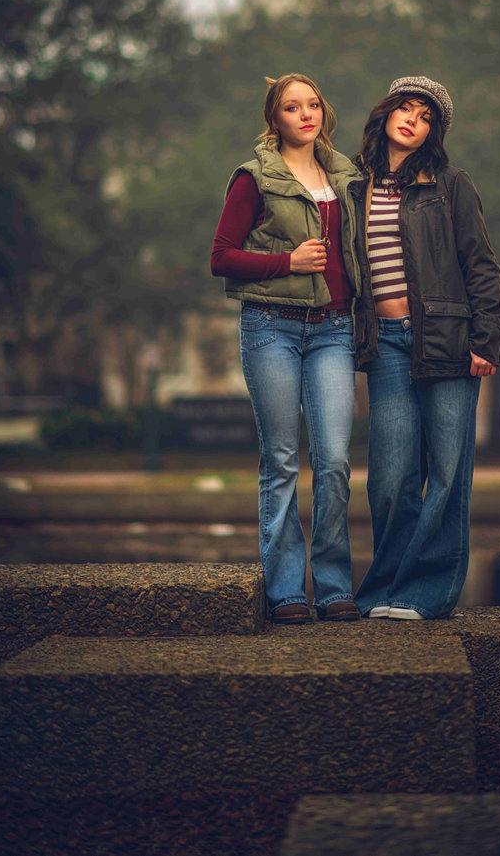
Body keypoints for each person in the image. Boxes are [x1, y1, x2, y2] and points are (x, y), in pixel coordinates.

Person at [210, 74, 364, 624]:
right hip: (271, 327)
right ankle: (285, 592)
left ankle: (333, 586)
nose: (306, 114)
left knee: (334, 463)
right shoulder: (254, 178)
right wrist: (287, 262)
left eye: (314, 104)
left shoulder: (347, 175)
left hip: (333, 331)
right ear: (273, 119)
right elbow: (222, 256)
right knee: (280, 462)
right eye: (292, 107)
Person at [351, 76, 500, 620]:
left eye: (425, 115)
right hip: (386, 347)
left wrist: (484, 340)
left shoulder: (450, 183)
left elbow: (481, 267)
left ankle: (424, 595)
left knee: (446, 471)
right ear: (386, 113)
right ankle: (383, 590)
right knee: (390, 476)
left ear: (433, 132)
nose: (412, 119)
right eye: (405, 108)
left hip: (449, 341)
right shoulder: (353, 184)